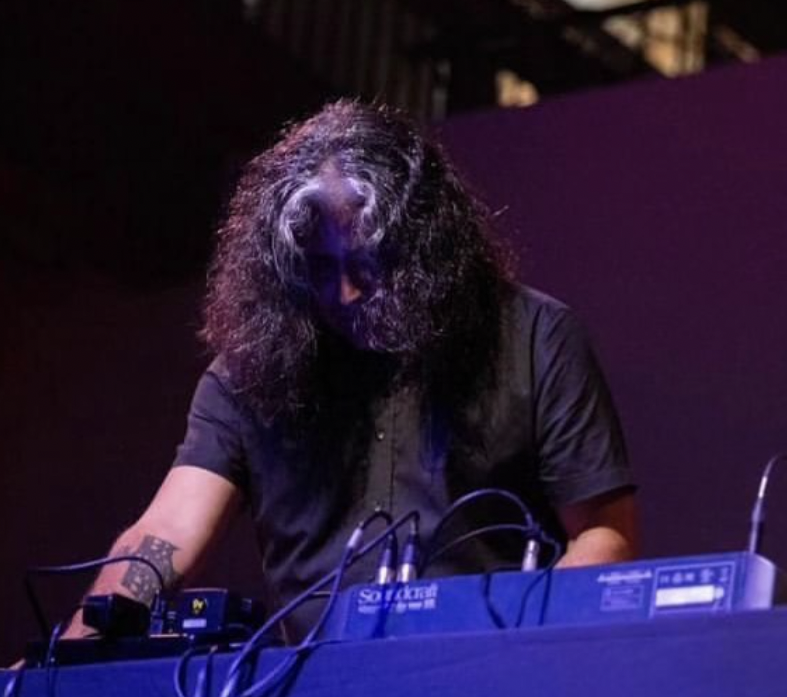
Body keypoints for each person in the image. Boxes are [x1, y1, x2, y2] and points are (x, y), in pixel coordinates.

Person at [70, 100, 636, 637]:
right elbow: (166, 532)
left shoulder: (534, 336)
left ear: (424, 245)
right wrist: (66, 659)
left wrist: (512, 653)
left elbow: (604, 534)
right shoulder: (248, 374)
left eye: (367, 263)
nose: (343, 292)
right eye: (318, 268)